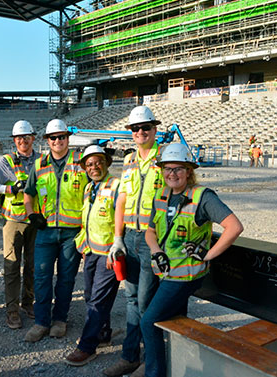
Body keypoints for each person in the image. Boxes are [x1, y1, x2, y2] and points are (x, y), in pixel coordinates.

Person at [141, 143, 243, 377]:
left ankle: (154, 373)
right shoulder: (162, 194)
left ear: (189, 171)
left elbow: (234, 227)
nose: (172, 174)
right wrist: (156, 250)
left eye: (179, 169)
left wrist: (208, 255)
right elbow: (150, 231)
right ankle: (181, 368)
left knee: (148, 322)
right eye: (167, 168)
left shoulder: (202, 197)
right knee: (177, 321)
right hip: (166, 272)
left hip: (186, 276)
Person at [103, 106, 163, 377]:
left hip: (151, 239)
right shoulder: (128, 160)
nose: (140, 132)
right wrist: (117, 238)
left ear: (155, 129)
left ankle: (150, 362)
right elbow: (122, 201)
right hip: (129, 235)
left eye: (145, 128)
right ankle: (130, 357)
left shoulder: (165, 157)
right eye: (135, 129)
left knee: (146, 301)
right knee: (131, 300)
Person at [22, 119, 88, 342]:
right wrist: (32, 214)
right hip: (46, 231)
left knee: (66, 279)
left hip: (72, 233)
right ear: (47, 141)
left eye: (62, 137)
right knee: (41, 277)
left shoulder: (80, 163)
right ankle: (41, 322)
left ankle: (60, 319)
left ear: (68, 138)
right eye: (53, 138)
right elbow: (28, 193)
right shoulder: (39, 165)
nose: (58, 141)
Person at [65, 145, 121, 367]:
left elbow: (120, 221)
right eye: (89, 164)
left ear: (106, 163)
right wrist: (83, 244)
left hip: (108, 253)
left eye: (97, 162)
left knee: (97, 300)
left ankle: (87, 347)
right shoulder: (89, 188)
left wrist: (115, 249)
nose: (93, 167)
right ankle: (103, 334)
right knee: (90, 295)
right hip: (91, 252)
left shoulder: (116, 186)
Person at [0, 120, 40, 329]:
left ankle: (28, 303)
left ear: (33, 138)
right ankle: (12, 310)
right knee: (12, 266)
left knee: (33, 266)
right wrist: (9, 190)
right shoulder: (6, 162)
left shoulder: (42, 161)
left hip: (36, 221)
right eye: (19, 138)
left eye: (26, 137)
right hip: (14, 222)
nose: (23, 140)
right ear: (14, 140)